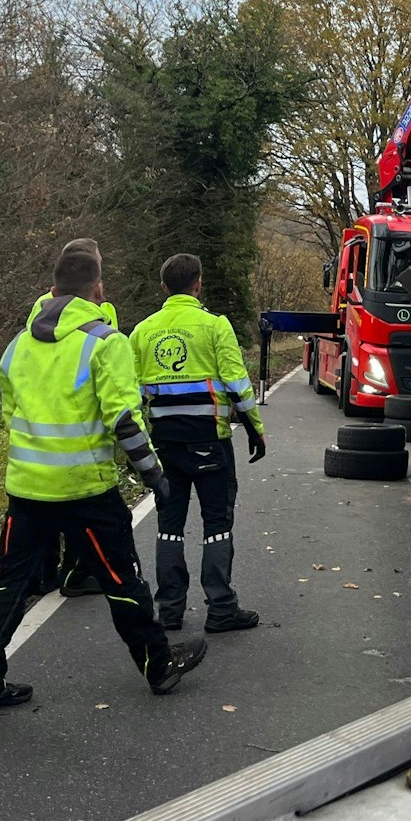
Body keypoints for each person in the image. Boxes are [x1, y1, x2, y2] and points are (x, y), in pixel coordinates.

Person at [0, 242, 206, 713]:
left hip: (27, 491)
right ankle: (158, 665)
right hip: (87, 492)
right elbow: (125, 421)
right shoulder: (104, 343)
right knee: (122, 581)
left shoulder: (17, 346)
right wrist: (154, 475)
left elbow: (11, 418)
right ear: (97, 289)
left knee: (8, 585)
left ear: (51, 288)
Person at [129, 253, 266, 633]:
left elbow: (129, 396)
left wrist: (139, 446)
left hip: (165, 446)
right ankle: (221, 608)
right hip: (211, 443)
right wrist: (255, 428)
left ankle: (169, 610)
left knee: (169, 526)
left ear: (163, 288)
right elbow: (238, 383)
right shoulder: (214, 326)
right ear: (199, 284)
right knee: (217, 523)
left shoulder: (142, 332)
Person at [26, 238, 118, 602]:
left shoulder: (41, 305)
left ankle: (51, 572)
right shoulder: (101, 311)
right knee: (79, 505)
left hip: (45, 419)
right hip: (74, 419)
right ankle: (69, 572)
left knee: (45, 504)